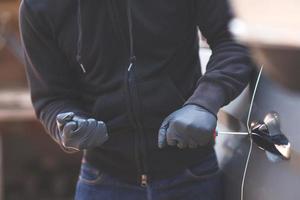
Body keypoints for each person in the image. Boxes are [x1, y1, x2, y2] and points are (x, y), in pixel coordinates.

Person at [20, 0, 254, 199]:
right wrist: (68, 127)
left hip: (191, 176)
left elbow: (234, 40)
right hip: (102, 180)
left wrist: (204, 102)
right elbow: (51, 97)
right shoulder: (39, 6)